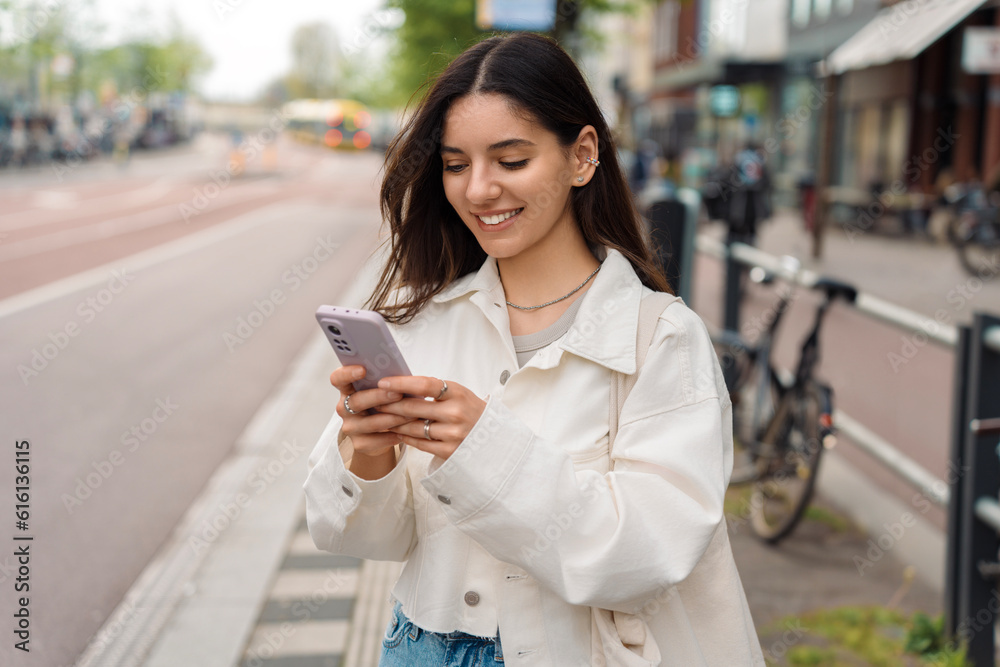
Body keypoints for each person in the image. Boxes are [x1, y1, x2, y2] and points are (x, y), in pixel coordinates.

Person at [304, 33, 764, 667]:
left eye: (511, 161)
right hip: (416, 648)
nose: (479, 190)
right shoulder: (424, 320)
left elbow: (650, 553)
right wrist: (368, 454)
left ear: (582, 156)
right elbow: (357, 535)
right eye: (456, 164)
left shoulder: (660, 338)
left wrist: (484, 448)